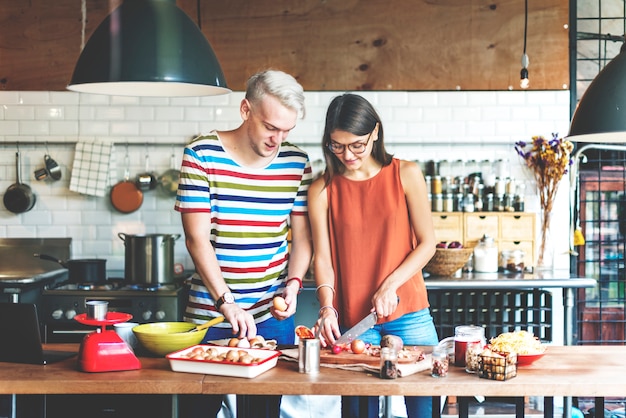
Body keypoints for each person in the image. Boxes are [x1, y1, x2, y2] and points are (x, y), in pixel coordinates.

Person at [174, 69, 313, 418]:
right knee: (199, 412)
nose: (277, 139)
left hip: (272, 317)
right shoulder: (201, 154)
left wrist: (293, 287)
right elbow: (196, 239)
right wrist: (228, 303)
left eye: (286, 130)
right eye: (270, 127)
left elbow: (303, 240)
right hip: (210, 316)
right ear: (245, 110)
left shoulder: (296, 163)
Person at [308, 93, 439, 418]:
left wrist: (390, 285)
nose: (347, 154)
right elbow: (322, 260)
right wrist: (327, 308)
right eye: (337, 146)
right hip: (356, 321)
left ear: (375, 133)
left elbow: (427, 243)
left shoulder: (405, 174)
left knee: (424, 411)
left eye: (356, 145)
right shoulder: (322, 190)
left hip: (410, 314)